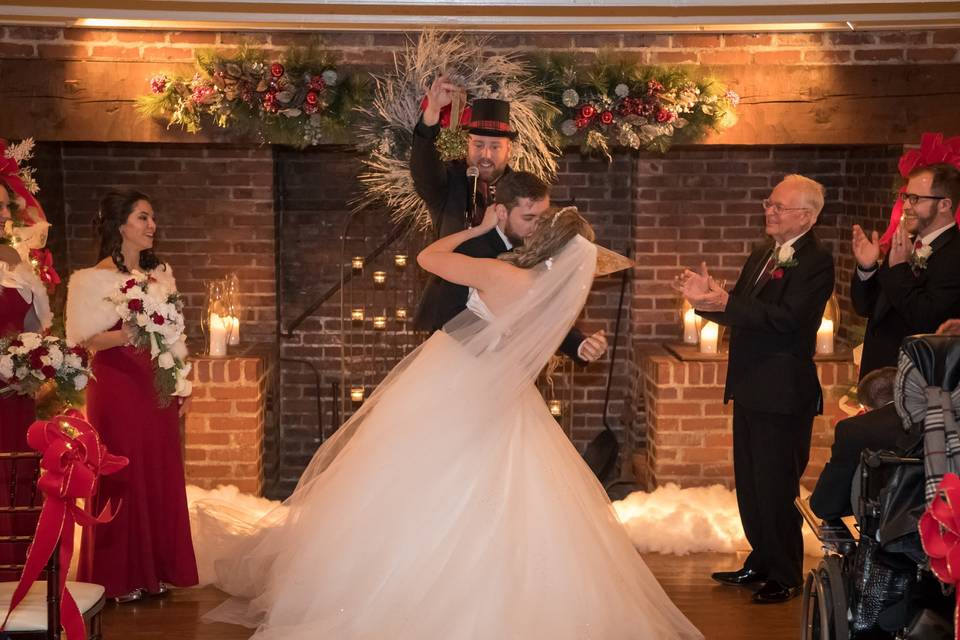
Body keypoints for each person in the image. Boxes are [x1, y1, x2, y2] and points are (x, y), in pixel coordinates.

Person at [202, 206, 702, 640]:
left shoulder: (499, 273)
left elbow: (428, 259)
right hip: (505, 395)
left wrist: (475, 228)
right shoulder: (550, 294)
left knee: (411, 476)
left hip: (452, 378)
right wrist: (581, 343)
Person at [678, 174, 835, 604]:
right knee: (750, 482)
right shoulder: (763, 252)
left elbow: (788, 319)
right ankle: (761, 560)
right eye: (769, 203)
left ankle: (785, 575)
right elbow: (745, 312)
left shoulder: (818, 262)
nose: (769, 211)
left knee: (776, 484)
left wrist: (727, 302)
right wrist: (707, 302)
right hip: (750, 385)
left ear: (806, 215)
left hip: (783, 392)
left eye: (778, 206)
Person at [65, 190, 197, 603]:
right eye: (143, 218)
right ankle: (118, 576)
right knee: (121, 472)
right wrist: (127, 332)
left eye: (152, 218)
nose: (151, 225)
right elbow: (83, 338)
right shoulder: (91, 278)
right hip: (118, 385)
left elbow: (175, 335)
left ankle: (156, 570)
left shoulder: (161, 274)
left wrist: (182, 383)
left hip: (155, 384)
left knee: (158, 470)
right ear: (120, 226)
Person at [415, 170, 607, 363]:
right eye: (528, 218)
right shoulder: (471, 249)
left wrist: (579, 345)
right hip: (460, 362)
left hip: (502, 374)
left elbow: (547, 313)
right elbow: (448, 316)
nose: (536, 227)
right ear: (501, 212)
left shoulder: (542, 259)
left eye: (543, 220)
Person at [851, 163, 960, 379]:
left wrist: (900, 268)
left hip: (917, 381)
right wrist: (867, 268)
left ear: (945, 205)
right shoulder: (903, 245)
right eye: (906, 197)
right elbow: (867, 308)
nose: (907, 206)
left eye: (916, 199)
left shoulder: (955, 254)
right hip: (878, 373)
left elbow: (928, 319)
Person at [0, 178, 53, 578]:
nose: (6, 215)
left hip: (16, 393)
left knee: (19, 476)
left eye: (7, 206)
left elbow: (35, 324)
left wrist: (36, 358)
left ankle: (21, 573)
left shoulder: (13, 258)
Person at [411, 76, 515, 238]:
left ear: (509, 150)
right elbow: (424, 166)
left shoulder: (521, 190)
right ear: (466, 145)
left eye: (495, 147)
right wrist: (432, 112)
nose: (486, 155)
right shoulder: (447, 183)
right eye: (478, 145)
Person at [809, 367, 904, 521]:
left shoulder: (855, 429)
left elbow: (826, 505)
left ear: (866, 407)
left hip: (881, 524)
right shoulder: (937, 419)